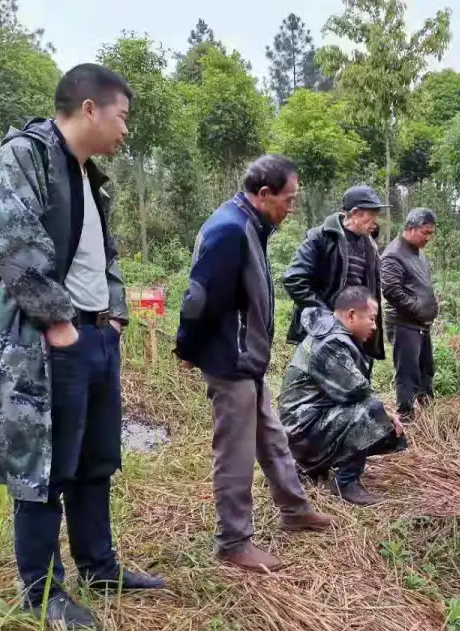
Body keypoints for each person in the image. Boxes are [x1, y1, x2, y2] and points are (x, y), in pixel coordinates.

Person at [0, 64, 164, 631]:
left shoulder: (88, 176)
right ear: (91, 109)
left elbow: (105, 256)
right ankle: (43, 593)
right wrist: (58, 323)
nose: (125, 130)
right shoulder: (24, 156)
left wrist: (114, 315)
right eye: (122, 117)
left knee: (95, 461)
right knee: (43, 466)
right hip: (53, 341)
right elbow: (9, 238)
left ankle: (100, 567)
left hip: (96, 335)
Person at [175, 155, 332, 573]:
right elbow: (198, 297)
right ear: (264, 194)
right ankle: (233, 541)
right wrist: (187, 347)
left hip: (249, 358)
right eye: (289, 199)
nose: (291, 207)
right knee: (235, 453)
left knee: (272, 438)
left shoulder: (250, 223)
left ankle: (295, 510)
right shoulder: (229, 229)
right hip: (231, 361)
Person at [279, 287, 407, 506]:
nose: (375, 326)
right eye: (372, 319)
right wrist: (386, 414)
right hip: (301, 431)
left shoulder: (331, 331)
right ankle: (346, 481)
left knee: (383, 425)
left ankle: (315, 465)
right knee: (371, 412)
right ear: (351, 315)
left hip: (305, 424)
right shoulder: (331, 342)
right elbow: (357, 391)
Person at [283, 185, 388, 363]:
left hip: (356, 335)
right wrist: (327, 317)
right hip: (321, 335)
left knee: (353, 385)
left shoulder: (370, 246)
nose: (375, 223)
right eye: (371, 218)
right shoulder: (321, 238)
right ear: (355, 213)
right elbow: (294, 279)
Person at [381, 208, 438, 421]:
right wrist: (418, 310)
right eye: (425, 232)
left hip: (421, 324)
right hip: (404, 323)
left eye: (431, 233)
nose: (428, 238)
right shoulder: (393, 254)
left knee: (426, 368)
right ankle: (406, 416)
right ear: (410, 228)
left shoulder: (419, 253)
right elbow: (391, 291)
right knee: (407, 372)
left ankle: (429, 412)